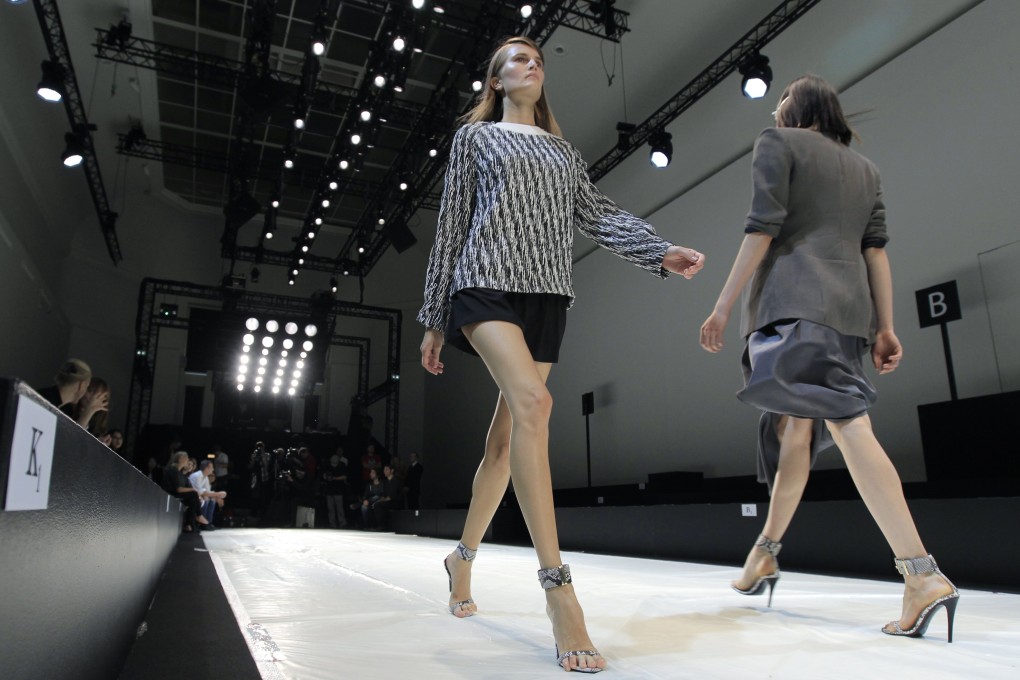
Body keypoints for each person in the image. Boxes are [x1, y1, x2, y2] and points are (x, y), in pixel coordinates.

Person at [418, 36, 704, 672]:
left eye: (538, 60)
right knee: (536, 404)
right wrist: (435, 318)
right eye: (518, 60)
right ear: (496, 81)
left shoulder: (563, 153)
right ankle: (559, 591)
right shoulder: (475, 139)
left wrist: (658, 250)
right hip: (483, 284)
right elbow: (451, 228)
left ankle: (461, 557)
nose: (532, 65)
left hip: (546, 296)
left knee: (504, 443)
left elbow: (597, 215)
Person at [699, 74, 958, 642]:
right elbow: (876, 252)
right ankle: (765, 552)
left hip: (795, 304)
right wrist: (884, 326)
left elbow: (761, 228)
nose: (774, 111)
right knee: (796, 428)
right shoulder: (865, 170)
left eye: (780, 102)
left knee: (847, 426)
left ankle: (921, 574)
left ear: (798, 107)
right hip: (848, 313)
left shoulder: (778, 142)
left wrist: (722, 306)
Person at [36, 359, 106, 427]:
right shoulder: (49, 405)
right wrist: (89, 411)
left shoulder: (42, 396)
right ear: (82, 385)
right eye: (87, 387)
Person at [162, 451, 209, 532]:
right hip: (169, 493)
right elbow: (178, 489)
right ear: (180, 459)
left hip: (174, 492)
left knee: (193, 500)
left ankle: (189, 525)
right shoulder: (173, 469)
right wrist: (193, 489)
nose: (187, 460)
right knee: (193, 494)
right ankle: (198, 516)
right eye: (186, 458)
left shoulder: (178, 472)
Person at [188, 459, 226, 529]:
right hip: (191, 496)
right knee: (206, 498)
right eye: (212, 467)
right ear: (207, 468)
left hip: (198, 496)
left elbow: (207, 491)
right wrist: (217, 494)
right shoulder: (197, 476)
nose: (213, 469)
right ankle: (202, 524)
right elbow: (200, 492)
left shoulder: (205, 477)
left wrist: (217, 496)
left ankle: (208, 522)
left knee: (211, 499)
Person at [322, 448, 350, 529]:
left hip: (338, 490)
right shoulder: (327, 465)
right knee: (330, 508)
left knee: (339, 508)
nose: (333, 464)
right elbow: (323, 475)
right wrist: (325, 477)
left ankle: (342, 523)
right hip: (329, 490)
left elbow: (345, 476)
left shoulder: (342, 465)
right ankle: (332, 524)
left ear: (338, 460)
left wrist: (334, 478)